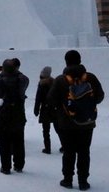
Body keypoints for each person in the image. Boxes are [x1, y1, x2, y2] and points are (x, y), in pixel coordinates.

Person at [48, 50, 104, 190]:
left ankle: (67, 180)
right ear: (80, 60)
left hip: (67, 124)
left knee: (69, 152)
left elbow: (51, 99)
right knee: (84, 152)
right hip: (87, 122)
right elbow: (100, 96)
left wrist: (62, 109)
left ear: (66, 62)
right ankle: (83, 181)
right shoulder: (90, 77)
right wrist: (88, 105)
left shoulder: (61, 80)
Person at [0, 58, 29, 174]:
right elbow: (25, 78)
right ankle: (19, 165)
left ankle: (6, 167)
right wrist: (15, 71)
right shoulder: (22, 80)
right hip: (18, 115)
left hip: (3, 116)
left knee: (4, 143)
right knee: (19, 141)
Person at [34, 66, 61, 154]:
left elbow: (38, 98)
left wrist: (36, 109)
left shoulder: (41, 84)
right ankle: (64, 145)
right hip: (54, 109)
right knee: (58, 128)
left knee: (46, 130)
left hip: (45, 109)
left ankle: (47, 148)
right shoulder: (54, 82)